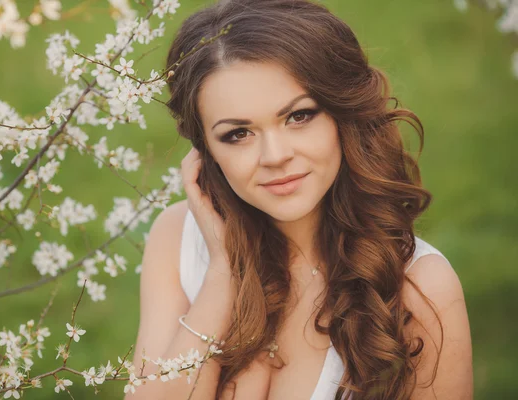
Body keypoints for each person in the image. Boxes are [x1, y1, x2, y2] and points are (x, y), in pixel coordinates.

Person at [127, 0, 473, 399]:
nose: (275, 156)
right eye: (238, 134)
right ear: (205, 150)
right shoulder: (177, 239)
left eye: (299, 116)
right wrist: (222, 275)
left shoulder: (420, 287)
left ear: (343, 113)